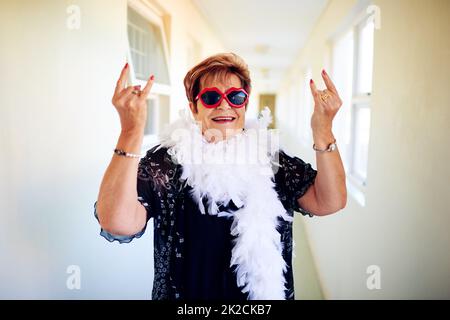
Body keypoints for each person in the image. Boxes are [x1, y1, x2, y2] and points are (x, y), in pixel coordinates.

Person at [94, 52, 347, 300]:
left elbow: (329, 201)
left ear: (245, 105)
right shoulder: (167, 162)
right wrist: (131, 131)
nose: (224, 104)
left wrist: (323, 129)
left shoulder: (272, 160)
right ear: (194, 108)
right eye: (211, 97)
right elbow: (118, 222)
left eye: (235, 96)